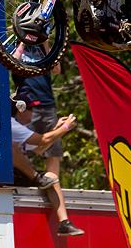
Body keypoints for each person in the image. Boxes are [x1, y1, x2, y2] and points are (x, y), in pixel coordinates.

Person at [11, 91, 82, 236]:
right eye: (31, 109)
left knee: (51, 177)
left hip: (19, 174)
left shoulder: (20, 128)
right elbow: (42, 140)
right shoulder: (10, 124)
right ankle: (37, 177)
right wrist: (65, 127)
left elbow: (39, 149)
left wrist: (58, 130)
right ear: (21, 109)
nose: (33, 114)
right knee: (11, 147)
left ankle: (64, 223)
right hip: (8, 173)